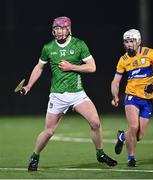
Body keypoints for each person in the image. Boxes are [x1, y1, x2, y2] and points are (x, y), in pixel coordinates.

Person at [21, 16, 117, 171]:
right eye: (56, 28)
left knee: (96, 123)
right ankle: (34, 157)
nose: (59, 31)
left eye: (62, 28)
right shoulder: (48, 47)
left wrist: (72, 67)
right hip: (57, 96)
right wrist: (29, 86)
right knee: (49, 131)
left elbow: (92, 67)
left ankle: (100, 153)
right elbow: (39, 67)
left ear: (69, 29)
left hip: (77, 94)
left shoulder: (79, 45)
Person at [111, 29, 153, 167]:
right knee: (133, 126)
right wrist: (115, 96)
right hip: (132, 96)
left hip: (147, 99)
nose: (129, 44)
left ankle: (122, 136)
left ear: (138, 41)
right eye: (126, 42)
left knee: (139, 136)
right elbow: (116, 81)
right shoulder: (123, 60)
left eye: (132, 41)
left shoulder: (150, 53)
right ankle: (131, 158)